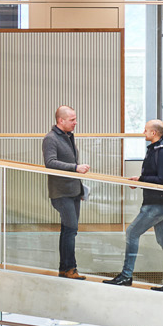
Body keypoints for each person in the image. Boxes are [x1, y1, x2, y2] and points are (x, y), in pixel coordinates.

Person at [107, 119, 163, 292]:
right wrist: (140, 180)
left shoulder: (162, 152)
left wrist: (141, 179)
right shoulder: (159, 148)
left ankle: (126, 276)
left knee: (132, 233)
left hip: (157, 204)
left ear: (154, 133)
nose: (143, 133)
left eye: (146, 130)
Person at [42, 105, 92, 279]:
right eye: (72, 120)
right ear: (60, 120)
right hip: (61, 193)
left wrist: (80, 189)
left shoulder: (68, 136)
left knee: (69, 230)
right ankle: (70, 268)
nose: (75, 122)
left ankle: (65, 269)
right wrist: (75, 168)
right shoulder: (51, 138)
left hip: (73, 191)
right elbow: (50, 162)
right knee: (71, 229)